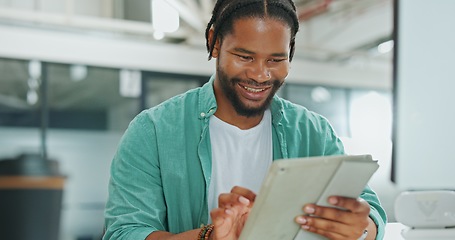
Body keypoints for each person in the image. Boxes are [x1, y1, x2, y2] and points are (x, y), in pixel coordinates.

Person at [103, 0, 387, 239]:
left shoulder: (314, 131)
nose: (260, 75)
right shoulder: (153, 131)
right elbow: (125, 232)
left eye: (275, 60)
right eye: (244, 56)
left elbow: (369, 208)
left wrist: (363, 228)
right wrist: (210, 236)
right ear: (214, 42)